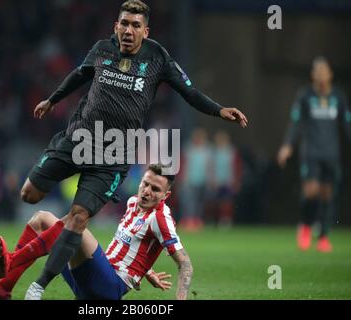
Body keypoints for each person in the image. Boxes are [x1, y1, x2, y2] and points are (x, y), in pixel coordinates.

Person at [17, 0, 247, 295]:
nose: (128, 30)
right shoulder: (102, 49)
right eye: (124, 23)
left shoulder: (158, 58)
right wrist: (53, 100)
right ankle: (14, 271)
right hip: (82, 139)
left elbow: (188, 91)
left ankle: (36, 286)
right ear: (116, 26)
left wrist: (218, 110)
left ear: (145, 31)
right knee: (29, 195)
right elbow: (79, 74)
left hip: (114, 152)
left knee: (77, 218)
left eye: (135, 25)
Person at [0, 164, 193, 300]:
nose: (146, 191)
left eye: (155, 189)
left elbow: (185, 264)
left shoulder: (161, 217)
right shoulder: (133, 202)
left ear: (166, 195)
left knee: (78, 223)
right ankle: (4, 287)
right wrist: (145, 270)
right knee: (42, 218)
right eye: (145, 184)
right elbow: (135, 247)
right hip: (89, 280)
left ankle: (12, 261)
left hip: (108, 288)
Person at [277, 57, 351, 252]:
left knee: (328, 194)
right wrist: (287, 145)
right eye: (317, 72)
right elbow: (296, 123)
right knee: (311, 191)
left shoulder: (338, 97)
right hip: (311, 152)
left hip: (332, 154)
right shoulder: (305, 96)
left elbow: (346, 124)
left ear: (330, 75)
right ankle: (306, 225)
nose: (320, 75)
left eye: (323, 71)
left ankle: (324, 237)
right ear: (312, 75)